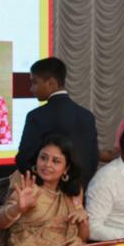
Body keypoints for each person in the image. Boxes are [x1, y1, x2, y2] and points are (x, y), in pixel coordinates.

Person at [0, 134, 88, 246]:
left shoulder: (73, 192)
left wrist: (83, 220)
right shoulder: (27, 185)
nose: (47, 164)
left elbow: (83, 239)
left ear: (66, 168)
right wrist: (17, 208)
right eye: (43, 158)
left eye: (56, 161)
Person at [16, 57, 99, 187]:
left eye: (34, 82)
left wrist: (46, 186)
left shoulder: (36, 116)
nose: (31, 88)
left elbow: (23, 160)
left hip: (45, 193)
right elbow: (92, 160)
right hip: (78, 192)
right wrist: (77, 188)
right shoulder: (87, 116)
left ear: (51, 83)